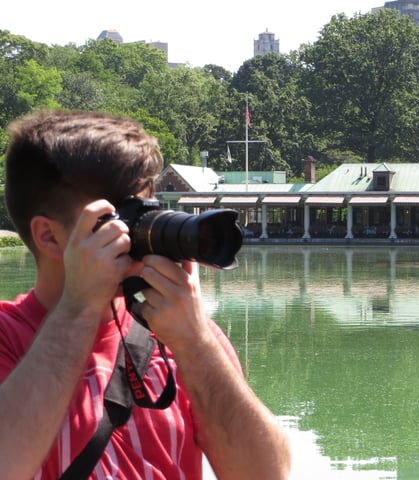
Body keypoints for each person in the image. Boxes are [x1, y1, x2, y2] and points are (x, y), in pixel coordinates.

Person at [0, 110, 291, 479]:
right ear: (49, 236)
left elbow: (267, 474)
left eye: (146, 208)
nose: (139, 228)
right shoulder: (7, 337)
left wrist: (196, 342)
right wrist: (81, 306)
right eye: (119, 216)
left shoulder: (181, 332)